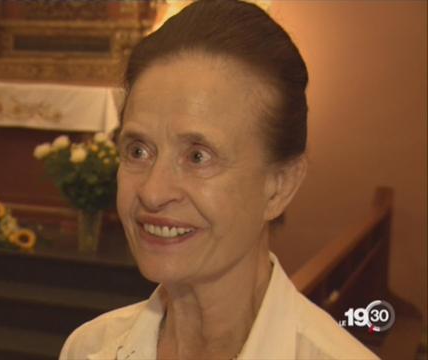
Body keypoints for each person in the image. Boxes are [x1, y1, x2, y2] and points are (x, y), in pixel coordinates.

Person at [60, 0, 377, 359]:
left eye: (198, 156)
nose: (152, 191)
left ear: (280, 185)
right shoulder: (89, 348)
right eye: (138, 151)